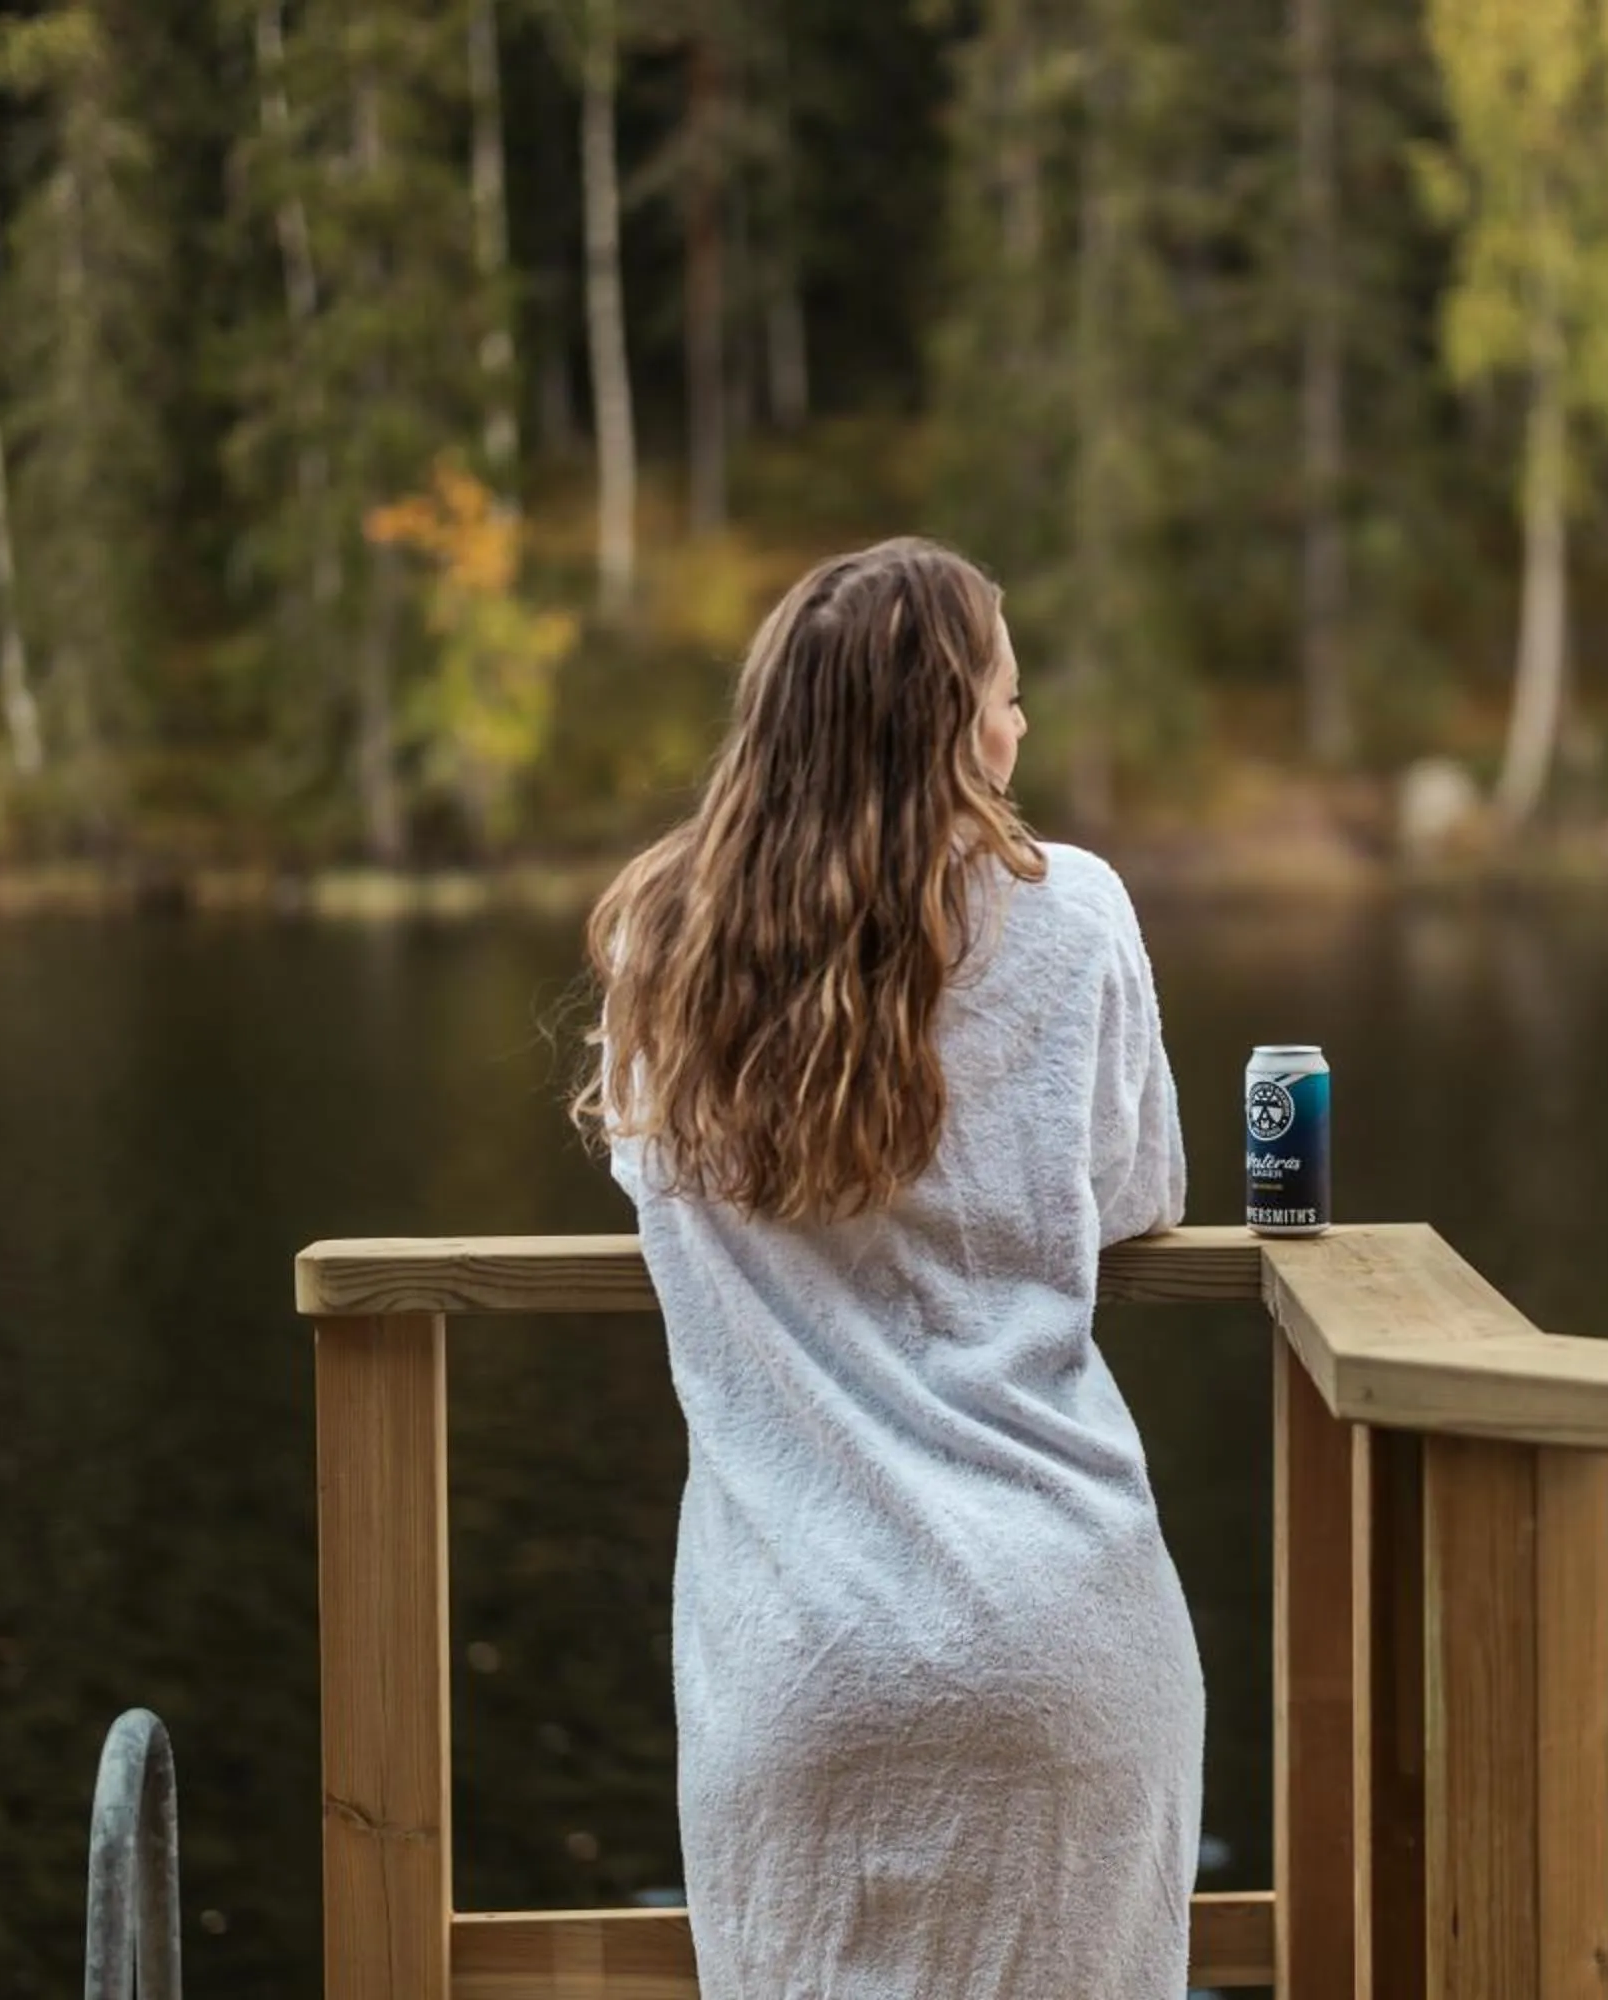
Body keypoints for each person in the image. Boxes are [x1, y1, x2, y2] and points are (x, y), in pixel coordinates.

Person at [574, 537, 1200, 1998]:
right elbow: (1133, 1192)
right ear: (947, 725)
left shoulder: (662, 946)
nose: (1020, 726)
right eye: (1003, 695)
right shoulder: (1077, 911)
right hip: (1065, 1631)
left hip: (793, 1656)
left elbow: (649, 1176)